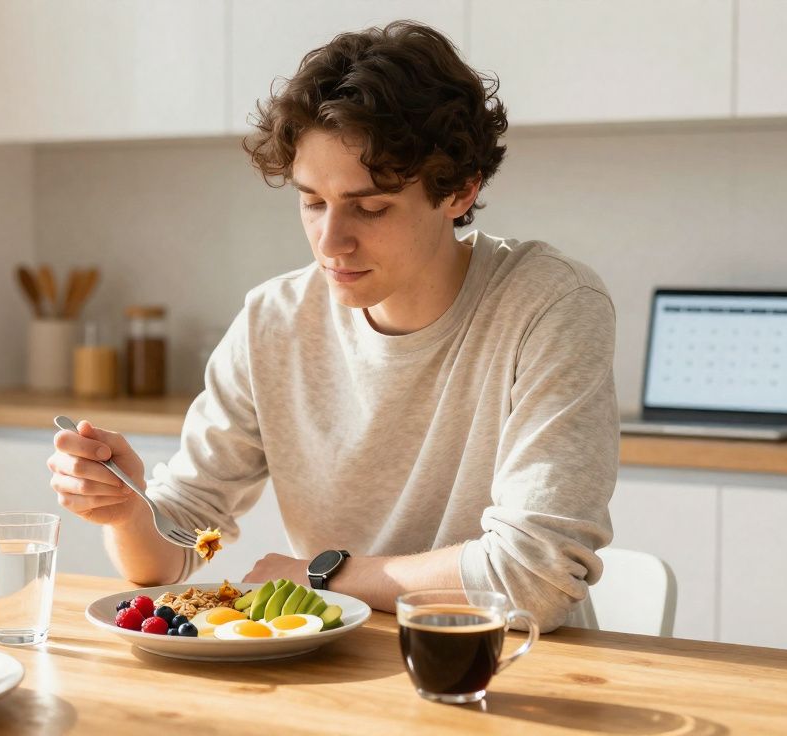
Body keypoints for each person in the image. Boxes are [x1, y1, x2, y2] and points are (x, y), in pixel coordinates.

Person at [47, 21, 617, 632]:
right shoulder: (275, 321)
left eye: (370, 207)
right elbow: (172, 548)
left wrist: (322, 574)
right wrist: (128, 510)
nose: (331, 243)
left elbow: (532, 578)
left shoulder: (549, 304)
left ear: (459, 191)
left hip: (511, 671)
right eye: (313, 202)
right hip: (333, 676)